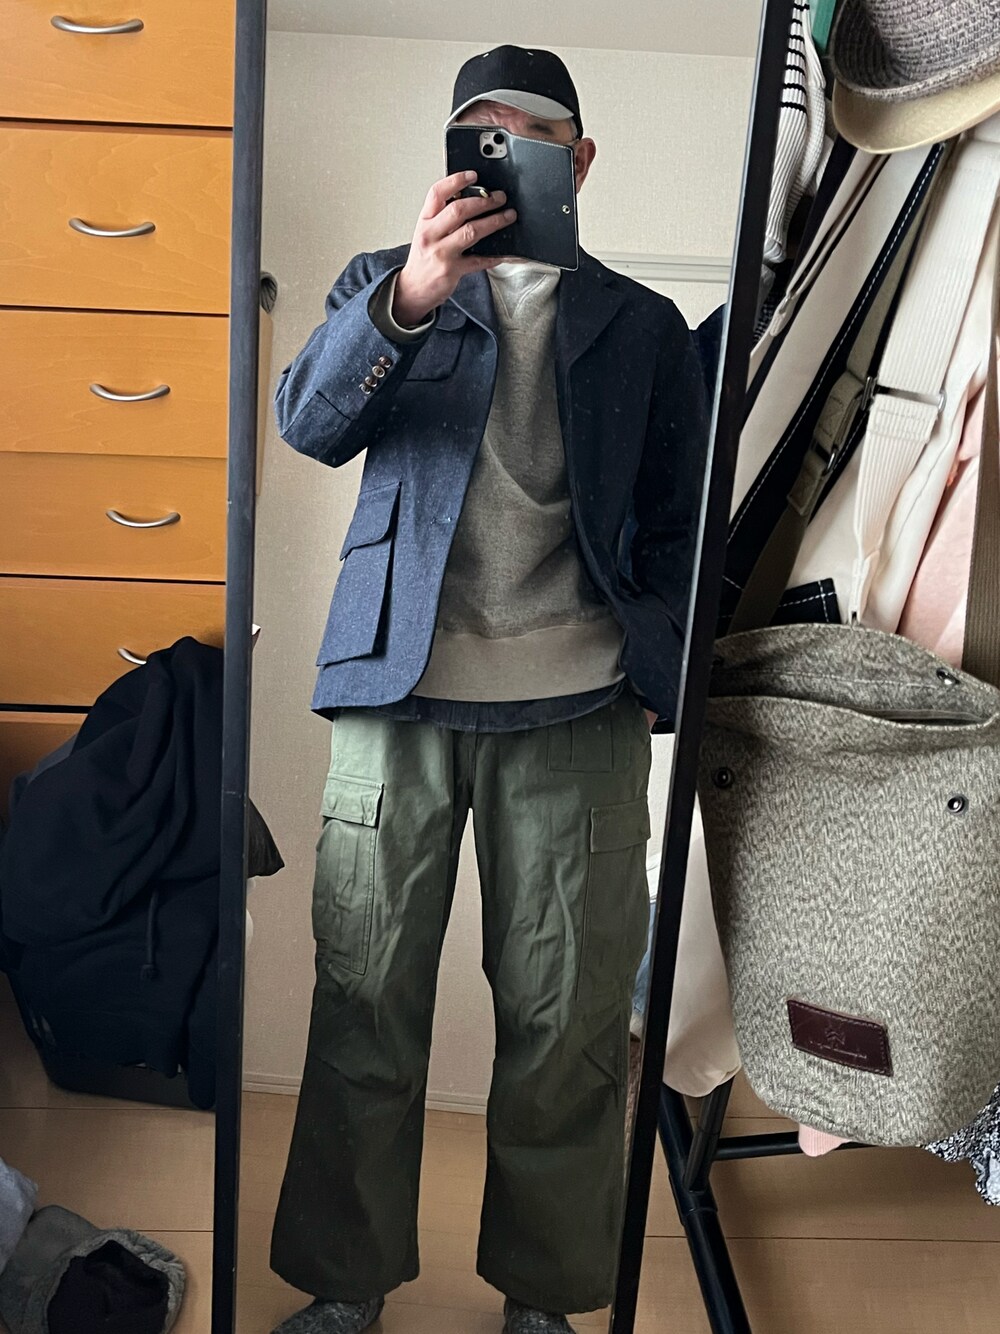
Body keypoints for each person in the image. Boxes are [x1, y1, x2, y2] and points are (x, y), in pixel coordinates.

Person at [269, 44, 709, 1334]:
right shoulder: (386, 286)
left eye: (530, 137)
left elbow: (686, 522)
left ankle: (545, 1301)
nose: (503, 158)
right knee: (362, 1001)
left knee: (570, 1024)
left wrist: (658, 666)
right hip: (397, 694)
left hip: (578, 704)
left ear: (580, 160)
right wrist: (413, 293)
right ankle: (345, 1288)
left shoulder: (641, 324)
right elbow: (307, 423)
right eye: (478, 137)